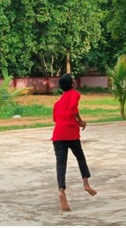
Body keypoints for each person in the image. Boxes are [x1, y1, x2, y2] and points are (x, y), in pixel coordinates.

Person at [51, 73, 97, 211]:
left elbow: (55, 119)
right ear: (72, 84)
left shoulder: (57, 103)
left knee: (61, 163)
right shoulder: (75, 94)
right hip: (71, 134)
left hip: (58, 136)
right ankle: (86, 184)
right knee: (80, 158)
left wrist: (75, 119)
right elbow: (73, 108)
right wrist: (80, 121)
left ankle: (61, 190)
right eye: (73, 80)